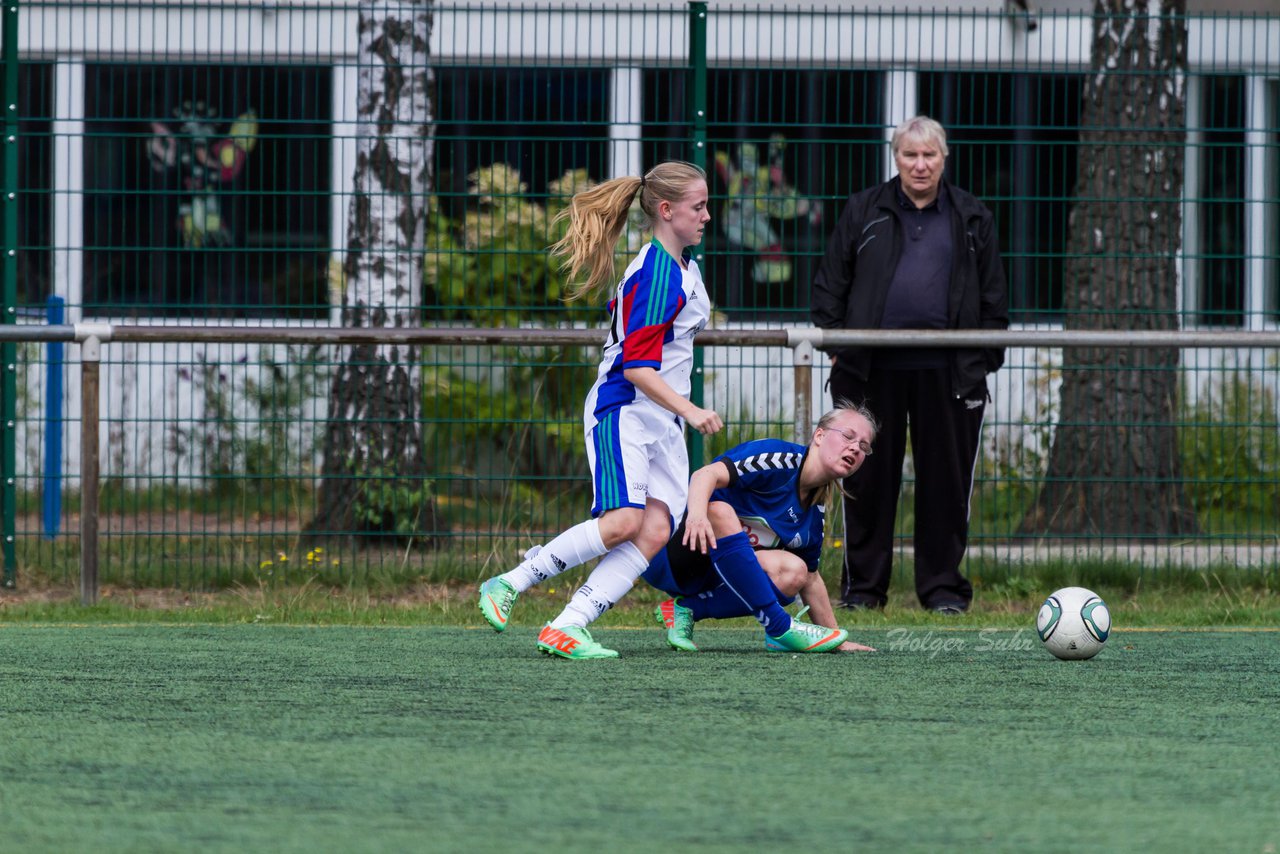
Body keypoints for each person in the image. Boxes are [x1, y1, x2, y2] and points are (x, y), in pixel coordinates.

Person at [477, 161, 724, 659]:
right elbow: (636, 368)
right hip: (625, 410)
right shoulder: (657, 273)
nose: (707, 216)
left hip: (660, 420)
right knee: (621, 522)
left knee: (656, 529)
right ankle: (510, 581)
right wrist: (692, 410)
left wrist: (679, 413)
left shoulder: (684, 268)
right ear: (667, 210)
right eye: (698, 207)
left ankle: (568, 625)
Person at [810, 116, 1009, 615]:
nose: (920, 165)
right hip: (869, 372)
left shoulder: (972, 216)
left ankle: (944, 593)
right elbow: (830, 284)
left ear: (944, 158)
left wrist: (983, 359)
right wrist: (839, 348)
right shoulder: (864, 209)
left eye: (929, 156)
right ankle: (862, 593)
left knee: (946, 484)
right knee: (864, 482)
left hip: (950, 375)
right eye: (909, 155)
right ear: (895, 157)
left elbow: (994, 298)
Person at [642, 403, 879, 654]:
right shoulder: (776, 459)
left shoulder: (814, 514)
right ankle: (779, 627)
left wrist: (837, 640)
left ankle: (686, 609)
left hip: (715, 577)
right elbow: (704, 475)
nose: (855, 447)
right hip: (671, 554)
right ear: (819, 435)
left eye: (864, 446)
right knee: (720, 512)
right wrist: (697, 516)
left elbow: (810, 578)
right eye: (848, 436)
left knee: (795, 572)